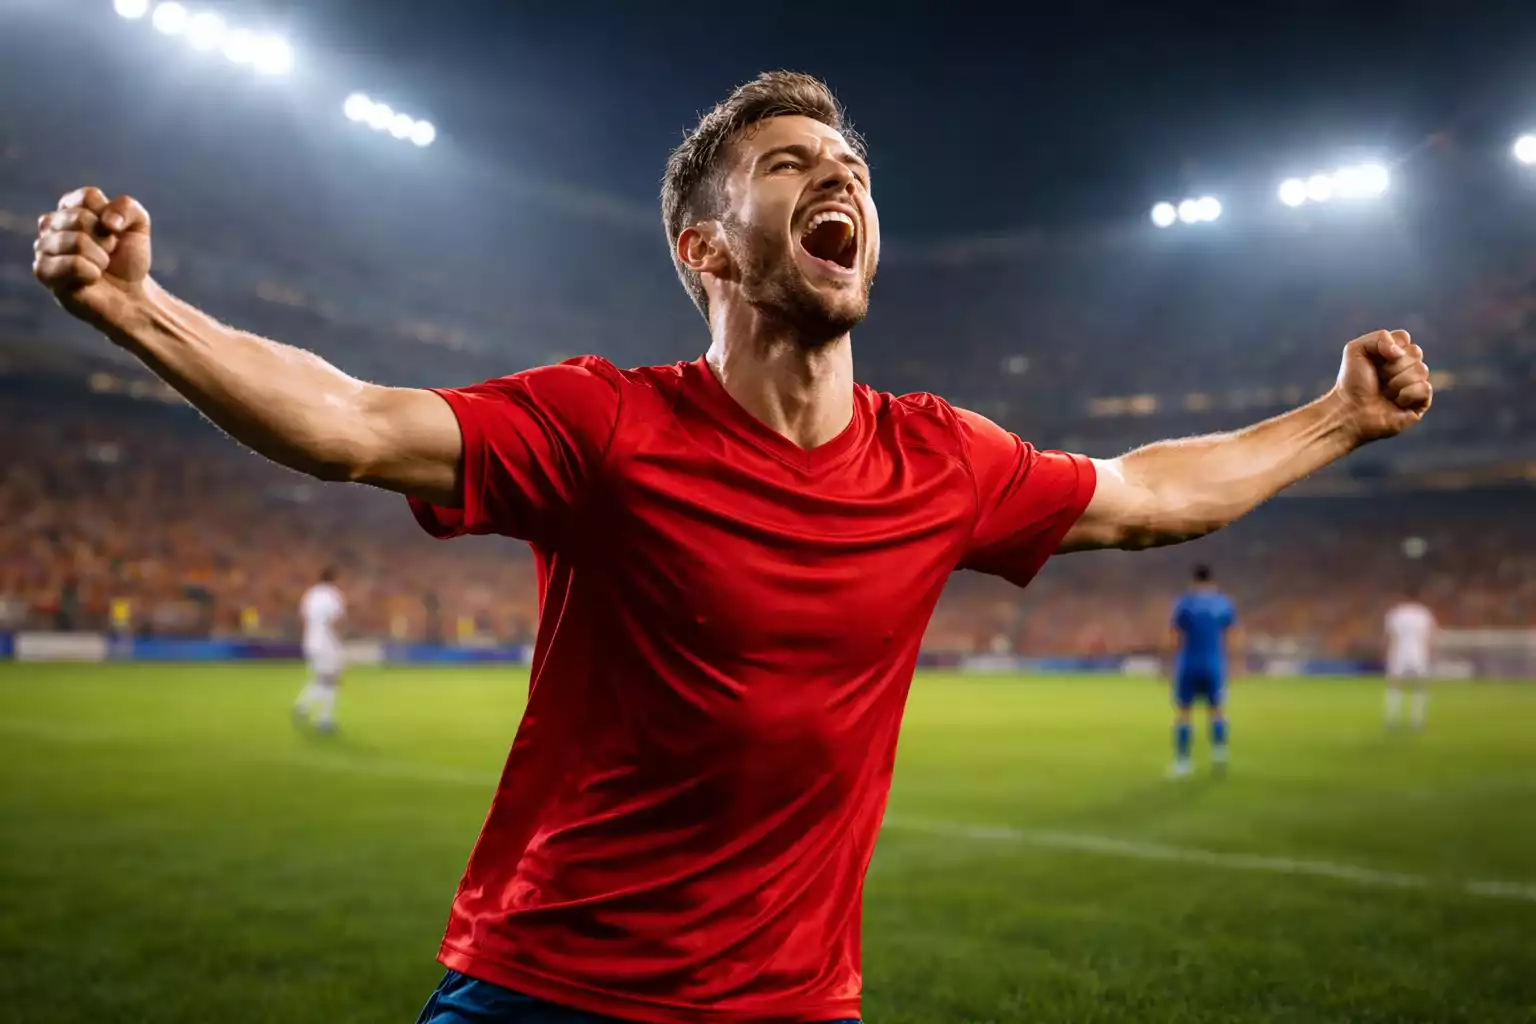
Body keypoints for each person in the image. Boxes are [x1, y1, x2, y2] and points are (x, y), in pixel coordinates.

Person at [33, 70, 1432, 1024]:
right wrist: (141, 310)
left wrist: (1341, 417)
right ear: (706, 252)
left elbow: (1144, 495)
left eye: (851, 168)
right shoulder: (606, 426)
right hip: (550, 989)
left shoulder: (940, 460)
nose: (838, 177)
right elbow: (351, 422)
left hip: (792, 1006)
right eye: (790, 164)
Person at [1168, 564, 1237, 777]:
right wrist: (1236, 662)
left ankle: (1183, 762)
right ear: (1212, 580)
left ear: (1193, 580)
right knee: (1216, 710)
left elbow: (1174, 634)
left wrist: (1168, 662)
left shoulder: (1185, 603)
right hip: (1214, 663)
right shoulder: (1223, 603)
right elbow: (1232, 633)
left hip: (1188, 663)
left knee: (1184, 712)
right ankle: (1219, 753)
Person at [293, 566, 346, 733]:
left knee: (320, 680)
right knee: (331, 681)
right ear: (335, 579)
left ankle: (301, 706)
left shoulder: (311, 594)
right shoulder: (334, 595)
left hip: (310, 641)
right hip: (326, 642)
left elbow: (303, 617)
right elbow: (335, 621)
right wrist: (339, 641)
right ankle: (324, 721)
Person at [1384, 588, 1437, 729]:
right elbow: (1429, 637)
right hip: (1419, 654)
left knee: (1394, 687)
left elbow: (1392, 636)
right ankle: (1417, 721)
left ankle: (1392, 720)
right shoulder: (1424, 613)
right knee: (1419, 687)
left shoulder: (1395, 614)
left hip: (1399, 654)